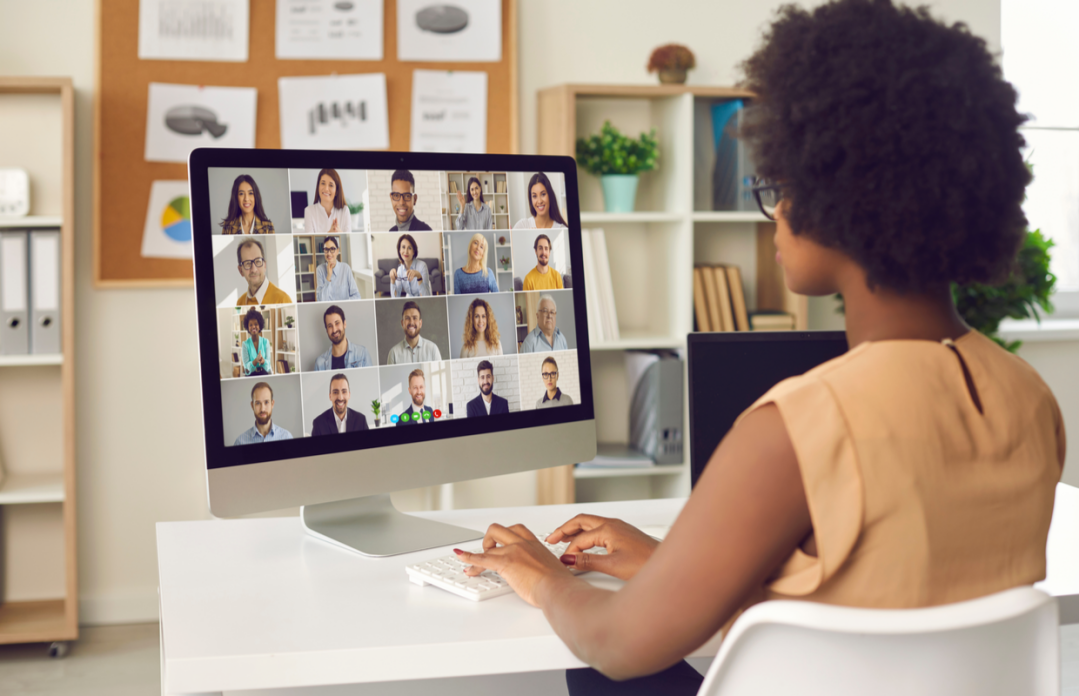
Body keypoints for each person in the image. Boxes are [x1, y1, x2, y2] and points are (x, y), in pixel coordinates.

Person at [450, 3, 1066, 694]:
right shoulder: (1026, 396)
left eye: (779, 187)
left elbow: (618, 645)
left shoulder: (799, 424)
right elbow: (882, 603)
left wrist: (540, 575)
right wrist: (667, 562)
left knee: (595, 671)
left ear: (840, 198)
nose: (774, 215)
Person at [236, 239, 293, 305]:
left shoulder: (282, 300)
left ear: (264, 265)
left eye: (258, 261)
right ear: (240, 271)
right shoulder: (240, 303)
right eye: (247, 263)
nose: (254, 269)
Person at [315, 305, 372, 370]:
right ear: (326, 330)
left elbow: (372, 379)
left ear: (344, 324)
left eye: (337, 323)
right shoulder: (319, 363)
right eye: (330, 326)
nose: (334, 330)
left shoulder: (362, 354)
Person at [303, 168, 351, 236]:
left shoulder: (345, 211)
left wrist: (340, 233)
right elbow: (310, 243)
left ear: (336, 191)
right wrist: (329, 234)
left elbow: (349, 242)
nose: (326, 188)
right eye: (323, 183)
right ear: (318, 186)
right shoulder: (309, 211)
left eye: (331, 185)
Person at [316, 235, 362, 301]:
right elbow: (320, 300)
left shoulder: (346, 268)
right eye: (326, 249)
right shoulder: (320, 270)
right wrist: (328, 277)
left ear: (337, 251)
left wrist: (342, 304)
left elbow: (357, 296)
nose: (329, 253)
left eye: (332, 249)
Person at [389, 233, 432, 298]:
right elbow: (395, 297)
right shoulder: (400, 270)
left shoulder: (422, 266)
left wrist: (419, 277)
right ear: (399, 250)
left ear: (413, 251)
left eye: (409, 248)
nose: (406, 251)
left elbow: (426, 297)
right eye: (403, 247)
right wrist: (392, 280)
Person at [240, 307, 272, 376]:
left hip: (264, 374)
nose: (253, 327)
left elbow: (268, 364)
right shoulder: (245, 344)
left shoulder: (266, 342)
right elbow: (246, 366)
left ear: (260, 326)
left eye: (256, 324)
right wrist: (255, 361)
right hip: (251, 375)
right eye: (250, 325)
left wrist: (263, 361)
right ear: (247, 327)